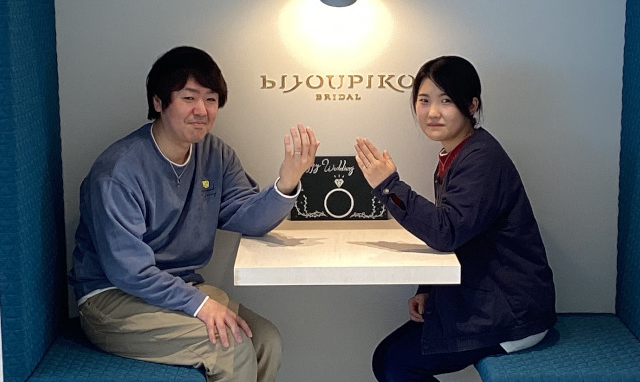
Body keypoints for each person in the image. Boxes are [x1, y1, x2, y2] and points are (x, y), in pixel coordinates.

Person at [68, 46, 320, 382]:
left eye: (211, 99)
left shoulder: (215, 153)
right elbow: (128, 271)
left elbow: (247, 218)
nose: (202, 110)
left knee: (267, 341)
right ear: (159, 102)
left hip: (178, 290)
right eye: (189, 98)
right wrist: (199, 304)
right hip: (113, 299)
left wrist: (287, 181)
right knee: (230, 347)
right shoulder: (118, 171)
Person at [354, 56, 556, 381]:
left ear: (471, 105)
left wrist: (388, 185)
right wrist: (428, 289)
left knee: (394, 363)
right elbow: (457, 232)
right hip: (483, 300)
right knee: (387, 357)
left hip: (511, 314)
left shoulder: (481, 158)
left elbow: (446, 232)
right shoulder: (458, 153)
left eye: (446, 100)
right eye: (424, 100)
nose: (432, 112)